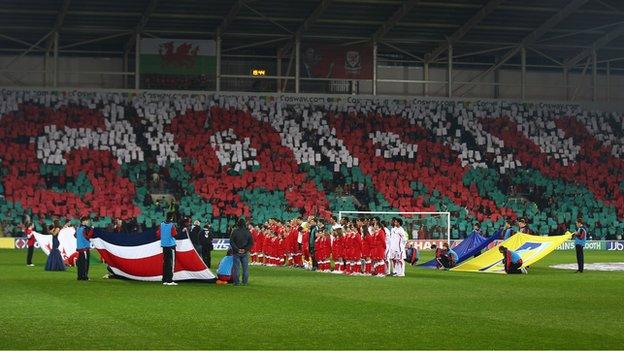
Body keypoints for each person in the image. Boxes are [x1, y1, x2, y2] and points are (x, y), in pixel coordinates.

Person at [230, 218, 253, 286]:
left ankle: (236, 282)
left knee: (236, 268)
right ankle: (245, 282)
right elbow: (251, 243)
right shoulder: (248, 232)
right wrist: (245, 249)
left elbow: (231, 241)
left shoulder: (235, 231)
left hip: (236, 252)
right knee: (245, 268)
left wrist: (237, 249)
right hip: (245, 253)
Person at [156, 212, 178, 286]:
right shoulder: (172, 225)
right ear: (171, 217)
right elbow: (174, 234)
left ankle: (164, 280)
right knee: (170, 263)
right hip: (170, 245)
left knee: (165, 262)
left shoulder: (161, 224)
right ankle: (169, 280)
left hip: (164, 245)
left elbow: (158, 234)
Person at [75, 216, 94, 281]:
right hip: (85, 248)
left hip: (79, 248)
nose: (88, 222)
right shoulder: (86, 228)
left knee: (80, 263)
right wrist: (92, 229)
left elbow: (75, 236)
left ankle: (79, 276)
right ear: (84, 221)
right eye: (87, 221)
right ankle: (84, 276)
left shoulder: (78, 228)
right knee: (85, 263)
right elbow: (88, 236)